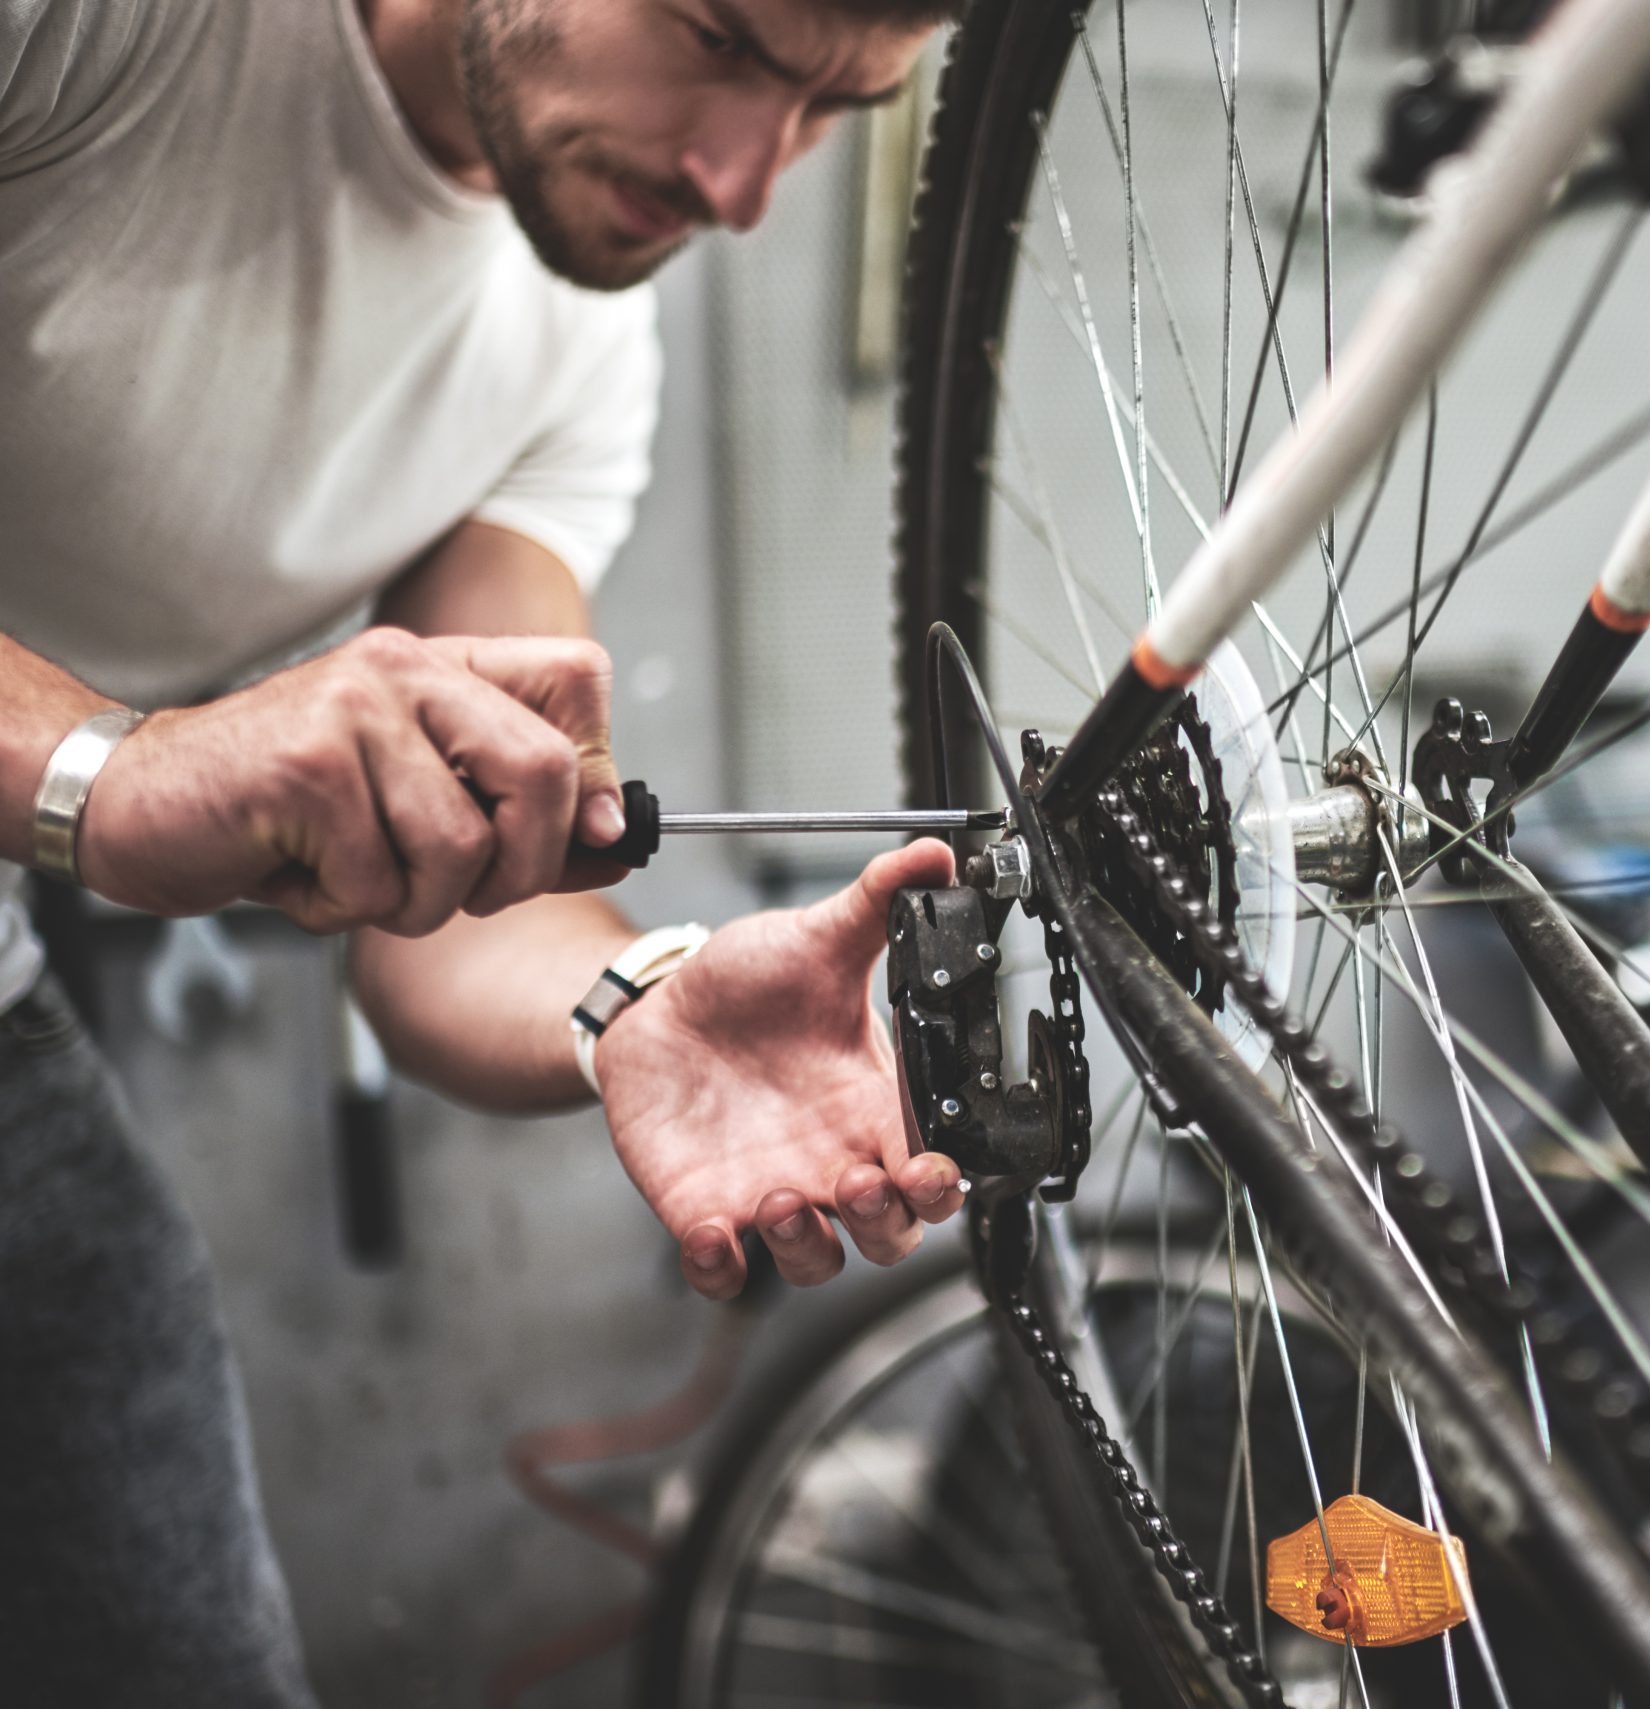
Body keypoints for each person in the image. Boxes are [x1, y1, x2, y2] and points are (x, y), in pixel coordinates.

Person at [0, 0, 964, 1697]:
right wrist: (108, 767)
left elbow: (473, 897)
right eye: (724, 40)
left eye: (833, 107)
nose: (745, 183)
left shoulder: (574, 359)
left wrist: (638, 995)